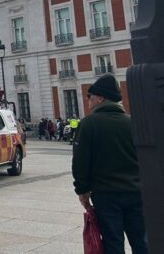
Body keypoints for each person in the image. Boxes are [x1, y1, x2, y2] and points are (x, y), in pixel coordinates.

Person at [72, 74, 148, 254]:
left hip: (106, 195)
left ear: (101, 98)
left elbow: (80, 161)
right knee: (141, 241)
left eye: (90, 96)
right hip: (137, 192)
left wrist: (82, 190)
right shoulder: (133, 122)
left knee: (113, 243)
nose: (88, 100)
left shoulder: (89, 124)